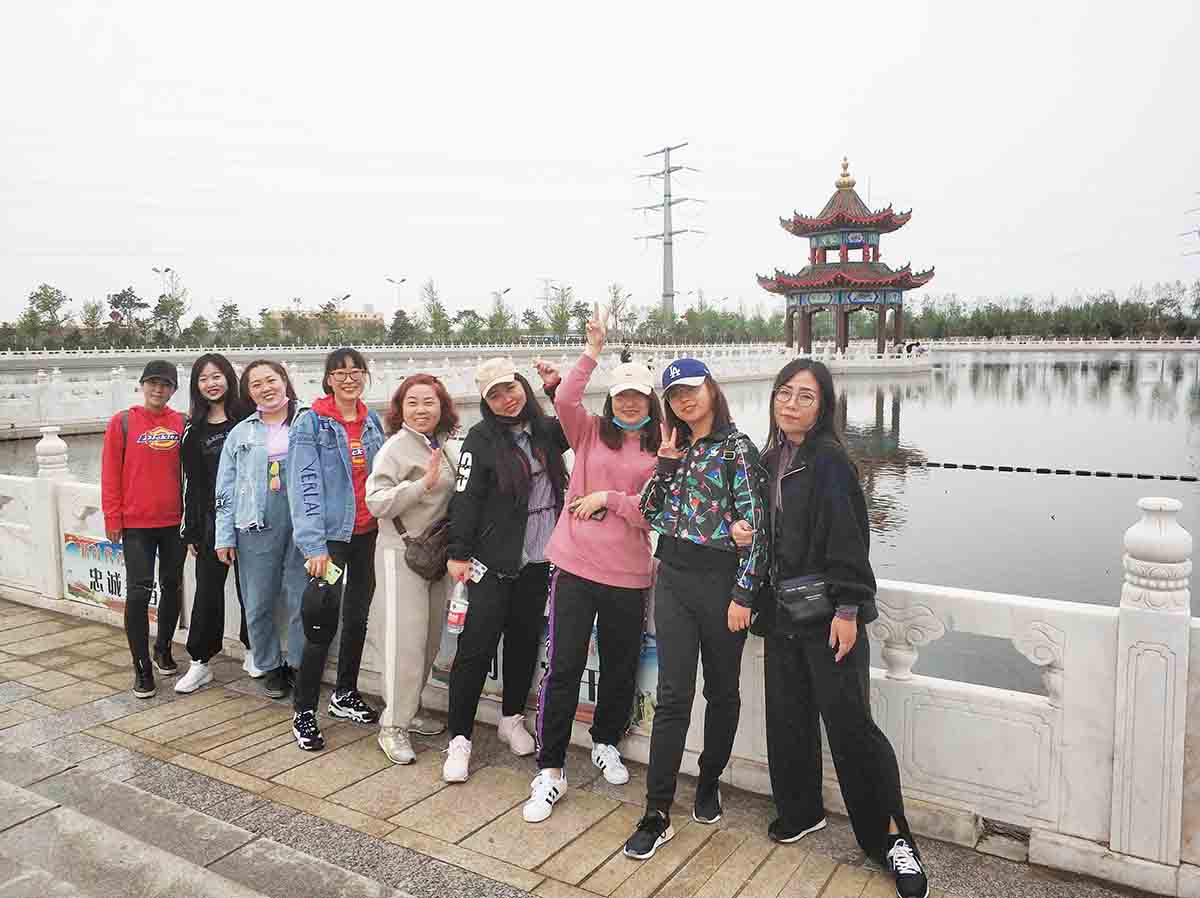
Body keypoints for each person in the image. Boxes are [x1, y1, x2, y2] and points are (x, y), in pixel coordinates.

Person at [739, 357, 929, 898]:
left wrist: (848, 611)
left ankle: (891, 839)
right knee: (788, 718)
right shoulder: (770, 459)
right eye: (785, 392)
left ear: (823, 407)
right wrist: (743, 534)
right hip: (782, 614)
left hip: (827, 617)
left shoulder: (830, 462)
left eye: (806, 396)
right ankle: (801, 811)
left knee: (851, 729)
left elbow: (850, 540)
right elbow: (769, 536)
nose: (791, 404)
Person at [622, 358, 767, 860]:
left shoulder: (737, 449)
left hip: (722, 585)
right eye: (675, 395)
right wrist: (664, 465)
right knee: (672, 696)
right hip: (674, 581)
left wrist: (744, 594)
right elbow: (648, 512)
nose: (685, 400)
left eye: (691, 389)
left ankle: (708, 781)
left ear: (710, 389)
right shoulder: (674, 447)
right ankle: (656, 811)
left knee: (722, 691)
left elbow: (757, 529)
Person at [522, 308, 663, 823]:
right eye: (622, 395)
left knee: (622, 666)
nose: (629, 403)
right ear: (612, 398)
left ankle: (606, 741)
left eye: (638, 396)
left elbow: (654, 512)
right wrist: (592, 351)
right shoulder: (590, 431)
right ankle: (551, 769)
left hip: (628, 573)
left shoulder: (663, 447)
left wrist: (609, 498)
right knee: (563, 667)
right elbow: (563, 399)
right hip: (576, 567)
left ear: (650, 399)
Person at [442, 358, 569, 783]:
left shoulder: (546, 430)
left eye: (510, 389)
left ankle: (511, 717)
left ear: (522, 387)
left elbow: (583, 430)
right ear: (485, 402)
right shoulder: (479, 440)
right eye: (495, 395)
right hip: (492, 562)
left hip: (539, 558)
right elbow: (465, 499)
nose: (506, 399)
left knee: (523, 643)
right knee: (475, 650)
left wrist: (557, 390)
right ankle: (460, 738)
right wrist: (458, 552)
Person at [289, 348, 386, 751]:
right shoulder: (312, 423)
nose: (349, 378)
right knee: (321, 619)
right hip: (330, 543)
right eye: (340, 372)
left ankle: (344, 693)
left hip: (367, 537)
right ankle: (304, 710)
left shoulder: (371, 420)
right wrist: (314, 546)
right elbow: (304, 486)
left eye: (356, 371)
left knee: (357, 616)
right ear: (328, 379)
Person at [365, 374, 460, 764]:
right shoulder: (395, 448)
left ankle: (409, 709)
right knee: (403, 643)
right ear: (400, 409)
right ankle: (392, 726)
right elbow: (375, 502)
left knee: (429, 641)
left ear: (442, 407)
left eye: (429, 402)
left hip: (434, 556)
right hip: (399, 555)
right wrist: (422, 485)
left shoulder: (444, 444)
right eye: (413, 403)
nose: (422, 410)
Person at [214, 360, 309, 703]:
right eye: (256, 384)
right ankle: (270, 665)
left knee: (302, 597)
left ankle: (299, 663)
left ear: (284, 380)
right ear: (248, 392)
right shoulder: (241, 433)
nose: (265, 388)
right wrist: (223, 535)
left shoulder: (309, 420)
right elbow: (225, 487)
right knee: (257, 601)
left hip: (303, 521)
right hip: (255, 521)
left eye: (271, 380)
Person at [101, 359, 188, 699]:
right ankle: (141, 667)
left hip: (174, 522)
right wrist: (113, 517)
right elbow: (110, 473)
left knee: (172, 585)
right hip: (136, 524)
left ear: (173, 390)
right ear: (142, 385)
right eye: (153, 383)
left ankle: (163, 648)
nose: (158, 389)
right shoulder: (123, 422)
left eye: (165, 384)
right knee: (138, 592)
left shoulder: (182, 423)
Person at [177, 353, 251, 694]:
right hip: (211, 521)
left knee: (252, 588)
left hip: (251, 518)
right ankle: (200, 662)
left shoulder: (249, 418)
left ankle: (254, 650)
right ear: (197, 386)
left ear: (228, 379)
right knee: (207, 590)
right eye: (204, 378)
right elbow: (192, 483)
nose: (211, 383)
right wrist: (191, 529)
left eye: (217, 376)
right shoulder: (194, 430)